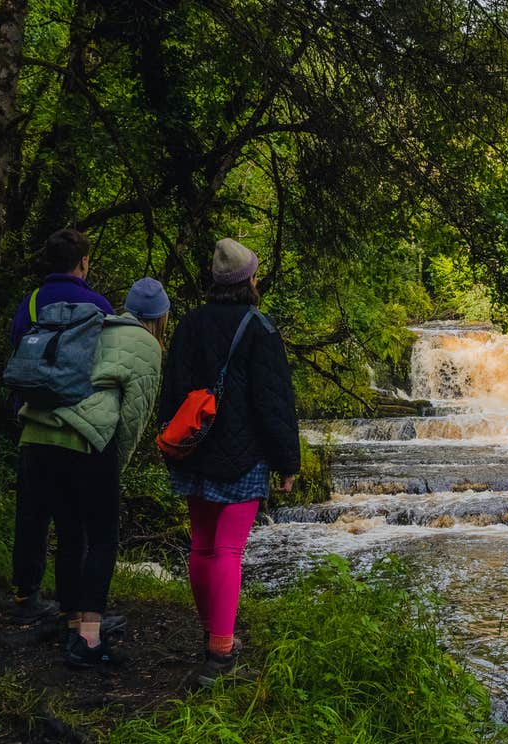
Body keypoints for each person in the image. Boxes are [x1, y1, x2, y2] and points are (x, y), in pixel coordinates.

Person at [159, 238, 300, 686]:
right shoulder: (259, 328)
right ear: (248, 281)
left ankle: (211, 634)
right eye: (255, 274)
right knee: (228, 550)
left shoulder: (190, 323)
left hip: (194, 449)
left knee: (202, 544)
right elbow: (272, 401)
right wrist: (287, 462)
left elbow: (172, 388)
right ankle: (220, 653)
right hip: (243, 457)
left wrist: (173, 442)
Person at [17, 278, 168, 667]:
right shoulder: (147, 344)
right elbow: (134, 415)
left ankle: (71, 623)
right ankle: (88, 638)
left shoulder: (97, 324)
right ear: (160, 317)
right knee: (102, 538)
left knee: (70, 534)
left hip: (36, 433)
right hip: (83, 440)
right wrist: (114, 467)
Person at [8, 229, 115, 624]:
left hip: (32, 423)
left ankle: (26, 594)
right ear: (83, 262)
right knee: (76, 523)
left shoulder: (32, 301)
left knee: (32, 514)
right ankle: (74, 606)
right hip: (78, 428)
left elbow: (18, 348)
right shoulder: (98, 304)